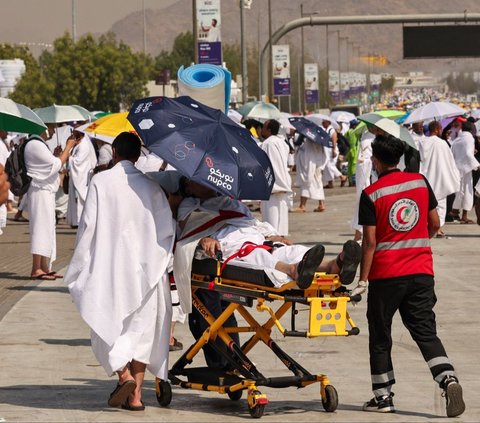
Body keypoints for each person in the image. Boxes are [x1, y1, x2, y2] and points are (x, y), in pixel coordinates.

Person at [65, 132, 175, 411]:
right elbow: (166, 232)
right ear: (138, 155)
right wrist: (156, 264)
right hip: (146, 272)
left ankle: (123, 375)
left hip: (111, 268)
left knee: (108, 324)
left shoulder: (101, 181)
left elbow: (87, 227)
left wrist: (80, 266)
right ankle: (136, 397)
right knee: (142, 333)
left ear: (113, 152)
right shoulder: (152, 187)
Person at [357, 134, 465, 417]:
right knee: (425, 331)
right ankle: (447, 378)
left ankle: (383, 397)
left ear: (377, 161)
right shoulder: (420, 182)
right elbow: (434, 223)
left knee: (381, 334)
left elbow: (369, 242)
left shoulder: (371, 194)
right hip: (421, 272)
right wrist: (418, 242)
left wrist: (362, 279)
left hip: (386, 275)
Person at [25, 130, 78, 280]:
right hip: (40, 191)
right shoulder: (34, 143)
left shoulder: (39, 144)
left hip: (44, 192)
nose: (54, 130)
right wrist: (68, 147)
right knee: (40, 228)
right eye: (51, 127)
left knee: (47, 228)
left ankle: (44, 266)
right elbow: (55, 165)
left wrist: (56, 154)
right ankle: (36, 268)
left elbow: (50, 164)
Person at [418, 121, 460, 237]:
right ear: (436, 129)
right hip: (440, 176)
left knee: (427, 204)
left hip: (426, 176)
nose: (442, 130)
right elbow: (449, 161)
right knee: (440, 204)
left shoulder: (422, 142)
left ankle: (428, 226)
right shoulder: (442, 143)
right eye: (441, 128)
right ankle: (438, 228)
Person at [260, 119, 292, 236]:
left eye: (263, 127)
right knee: (281, 225)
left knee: (271, 228)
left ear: (269, 129)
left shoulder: (268, 143)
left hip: (273, 188)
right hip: (282, 186)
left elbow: (270, 165)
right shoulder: (282, 142)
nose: (261, 130)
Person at [66, 130, 97, 227]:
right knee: (75, 198)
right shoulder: (78, 144)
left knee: (80, 198)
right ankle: (75, 220)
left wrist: (69, 156)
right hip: (77, 175)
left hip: (82, 175)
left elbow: (78, 161)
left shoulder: (84, 145)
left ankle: (79, 220)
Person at [450, 121, 480, 224]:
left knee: (459, 191)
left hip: (457, 168)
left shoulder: (458, 139)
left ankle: (455, 211)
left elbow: (454, 153)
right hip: (466, 169)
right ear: (471, 129)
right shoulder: (470, 138)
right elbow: (467, 153)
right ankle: (464, 216)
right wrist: (477, 165)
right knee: (467, 191)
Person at [293, 134, 327, 213]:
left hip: (309, 164)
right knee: (318, 183)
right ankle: (321, 204)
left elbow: (298, 144)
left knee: (306, 183)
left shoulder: (308, 140)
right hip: (318, 163)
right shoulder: (320, 138)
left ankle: (302, 205)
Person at [345, 119, 360, 187]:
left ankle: (350, 181)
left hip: (349, 151)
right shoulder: (355, 131)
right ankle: (354, 181)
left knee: (350, 166)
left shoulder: (348, 132)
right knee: (354, 166)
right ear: (354, 125)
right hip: (355, 150)